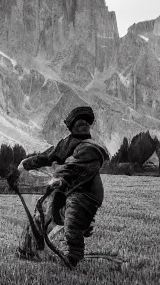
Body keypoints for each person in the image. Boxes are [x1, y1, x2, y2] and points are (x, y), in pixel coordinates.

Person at [15, 106, 109, 267]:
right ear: (72, 126)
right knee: (43, 214)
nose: (82, 126)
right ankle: (29, 249)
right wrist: (27, 164)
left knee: (72, 220)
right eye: (79, 123)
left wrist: (58, 178)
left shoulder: (90, 148)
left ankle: (73, 258)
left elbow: (73, 167)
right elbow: (48, 156)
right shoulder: (66, 143)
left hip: (85, 194)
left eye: (85, 123)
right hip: (66, 190)